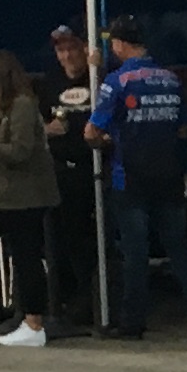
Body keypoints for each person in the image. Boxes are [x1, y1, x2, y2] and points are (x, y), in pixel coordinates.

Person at [89, 17, 187, 341]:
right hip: (169, 176)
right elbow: (183, 128)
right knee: (179, 248)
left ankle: (133, 322)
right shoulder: (170, 79)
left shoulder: (116, 81)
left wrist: (111, 140)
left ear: (121, 45)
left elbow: (91, 132)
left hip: (131, 179)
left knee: (135, 253)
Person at [0, 47, 57, 348]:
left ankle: (34, 324)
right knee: (22, 258)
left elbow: (21, 149)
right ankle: (28, 318)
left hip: (27, 197)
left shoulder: (23, 105)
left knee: (28, 259)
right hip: (16, 197)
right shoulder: (11, 107)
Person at [45, 21, 103, 327]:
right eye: (61, 50)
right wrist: (47, 130)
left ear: (85, 49)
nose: (67, 56)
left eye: (72, 48)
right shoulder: (50, 83)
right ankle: (70, 302)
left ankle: (98, 300)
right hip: (61, 174)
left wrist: (100, 70)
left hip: (96, 172)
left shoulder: (99, 78)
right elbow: (31, 128)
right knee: (64, 241)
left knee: (95, 243)